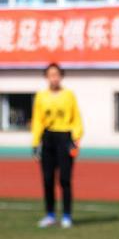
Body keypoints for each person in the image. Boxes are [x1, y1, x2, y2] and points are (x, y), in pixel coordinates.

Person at [31, 63, 83, 228]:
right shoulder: (41, 96)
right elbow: (37, 119)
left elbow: (76, 118)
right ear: (46, 77)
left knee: (65, 179)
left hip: (65, 137)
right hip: (47, 138)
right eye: (50, 75)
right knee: (47, 179)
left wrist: (75, 139)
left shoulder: (69, 95)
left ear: (61, 76)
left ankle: (67, 215)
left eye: (56, 74)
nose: (54, 78)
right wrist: (35, 142)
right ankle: (50, 215)